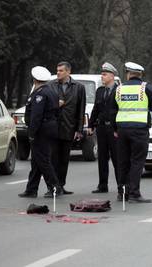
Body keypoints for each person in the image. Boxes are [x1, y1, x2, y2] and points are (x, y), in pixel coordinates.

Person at [110, 62, 152, 203]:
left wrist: (115, 129)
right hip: (139, 130)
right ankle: (134, 194)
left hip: (122, 130)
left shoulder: (118, 89)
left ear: (128, 73)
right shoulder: (146, 88)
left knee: (123, 162)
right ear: (140, 75)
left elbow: (112, 110)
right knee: (137, 162)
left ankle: (122, 193)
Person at [18, 66, 62, 198]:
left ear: (34, 79)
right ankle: (31, 189)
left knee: (42, 160)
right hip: (49, 127)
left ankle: (55, 187)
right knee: (36, 161)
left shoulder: (40, 94)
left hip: (41, 130)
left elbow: (36, 115)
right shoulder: (50, 90)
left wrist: (32, 133)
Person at [48, 61, 86, 195]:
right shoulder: (50, 85)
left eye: (61, 70)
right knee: (52, 159)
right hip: (53, 128)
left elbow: (81, 110)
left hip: (69, 128)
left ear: (68, 72)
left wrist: (79, 129)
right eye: (57, 70)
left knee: (64, 160)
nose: (58, 72)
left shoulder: (79, 87)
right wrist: (55, 104)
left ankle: (61, 185)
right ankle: (52, 187)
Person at [88, 62, 120, 194]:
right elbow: (96, 109)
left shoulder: (119, 90)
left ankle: (121, 186)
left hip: (114, 129)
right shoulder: (100, 91)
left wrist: (118, 129)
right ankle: (102, 185)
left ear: (112, 76)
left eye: (105, 74)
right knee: (102, 158)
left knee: (117, 158)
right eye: (102, 74)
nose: (102, 76)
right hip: (101, 128)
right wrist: (91, 124)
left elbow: (121, 110)